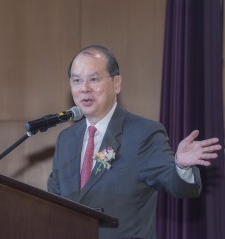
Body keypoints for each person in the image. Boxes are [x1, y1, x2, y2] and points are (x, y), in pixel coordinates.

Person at [47, 45, 222, 239]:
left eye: (94, 79)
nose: (84, 89)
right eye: (77, 80)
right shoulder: (66, 139)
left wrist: (180, 166)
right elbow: (54, 201)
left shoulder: (143, 133)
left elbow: (177, 186)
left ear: (116, 84)